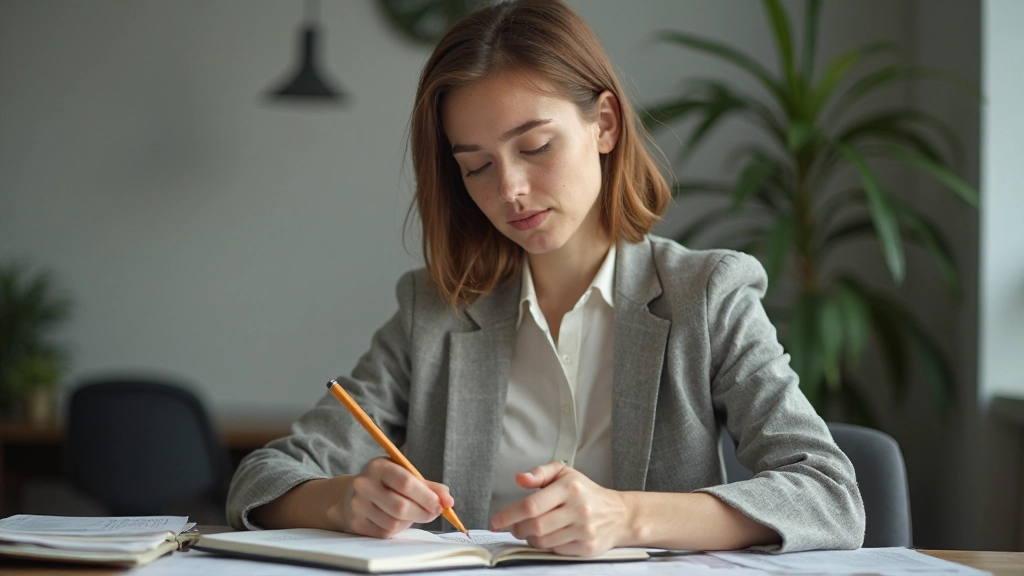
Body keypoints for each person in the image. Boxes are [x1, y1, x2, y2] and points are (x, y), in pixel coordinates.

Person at [227, 0, 865, 555]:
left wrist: (627, 517)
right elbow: (264, 477)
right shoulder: (436, 311)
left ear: (605, 125)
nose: (510, 190)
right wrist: (341, 503)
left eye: (535, 147)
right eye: (475, 167)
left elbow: (827, 496)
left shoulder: (706, 294)